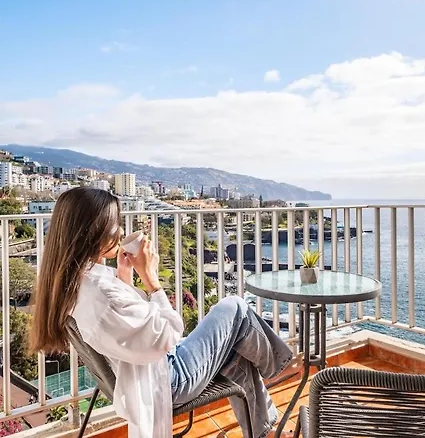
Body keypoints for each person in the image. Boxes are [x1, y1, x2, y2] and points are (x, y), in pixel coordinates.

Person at [30, 187, 294, 438]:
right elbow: (168, 334)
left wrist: (124, 274)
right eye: (114, 225)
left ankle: (265, 431)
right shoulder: (101, 294)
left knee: (235, 348)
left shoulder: (75, 283)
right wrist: (151, 279)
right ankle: (280, 367)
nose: (120, 230)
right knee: (235, 307)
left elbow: (129, 325)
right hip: (168, 379)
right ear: (93, 232)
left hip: (142, 371)